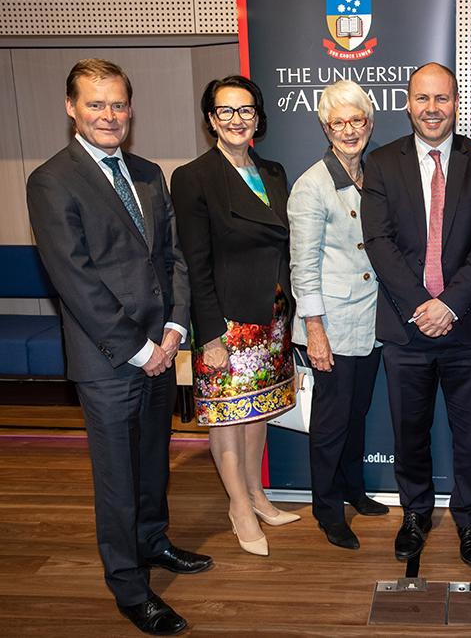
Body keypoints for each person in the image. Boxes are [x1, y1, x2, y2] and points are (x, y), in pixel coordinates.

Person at [26, 59, 211, 636]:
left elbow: (175, 258)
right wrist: (139, 349)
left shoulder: (149, 172)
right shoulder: (52, 180)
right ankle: (130, 588)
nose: (110, 115)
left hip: (161, 348)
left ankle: (154, 543)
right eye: (96, 104)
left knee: (154, 462)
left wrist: (176, 330)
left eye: (118, 104)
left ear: (130, 109)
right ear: (71, 108)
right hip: (109, 360)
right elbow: (74, 280)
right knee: (116, 478)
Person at [361, 62, 471, 567]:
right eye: (422, 99)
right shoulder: (380, 163)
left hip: (466, 327)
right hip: (406, 328)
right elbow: (378, 242)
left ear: (456, 101)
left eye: (441, 99)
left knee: (470, 434)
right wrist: (422, 306)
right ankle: (416, 514)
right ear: (407, 102)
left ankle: (470, 520)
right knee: (409, 432)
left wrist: (449, 305)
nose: (432, 109)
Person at [171, 75, 298, 559]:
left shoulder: (273, 172)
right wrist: (209, 335)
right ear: (210, 119)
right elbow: (193, 261)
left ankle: (257, 495)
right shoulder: (194, 177)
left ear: (258, 117)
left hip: (272, 315)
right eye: (225, 111)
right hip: (227, 322)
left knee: (258, 410)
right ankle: (239, 506)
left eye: (245, 110)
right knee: (227, 418)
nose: (237, 120)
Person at [288, 80, 388, 550]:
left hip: (370, 320)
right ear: (325, 127)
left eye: (357, 120)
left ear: (369, 123)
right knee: (330, 424)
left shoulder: (372, 173)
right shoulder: (312, 185)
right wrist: (314, 331)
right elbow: (302, 267)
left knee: (357, 413)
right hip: (329, 325)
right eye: (338, 122)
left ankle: (352, 489)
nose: (350, 130)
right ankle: (327, 509)